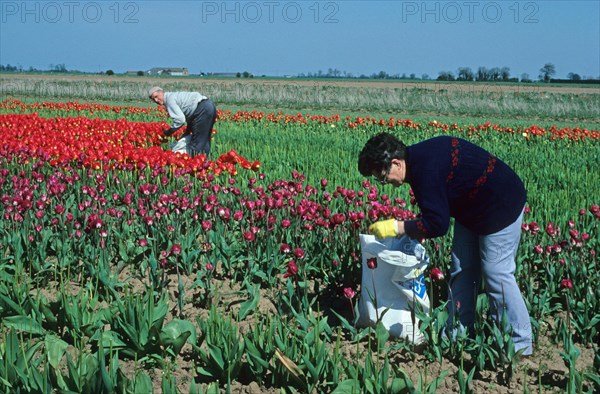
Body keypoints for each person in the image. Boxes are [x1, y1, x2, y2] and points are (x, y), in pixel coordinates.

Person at [358, 132, 533, 356]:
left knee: (497, 274)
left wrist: (398, 227)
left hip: (501, 204)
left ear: (396, 162)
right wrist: (419, 228)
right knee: (462, 268)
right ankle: (456, 335)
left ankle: (520, 343)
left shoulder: (424, 170)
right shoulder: (418, 160)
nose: (386, 184)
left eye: (383, 177)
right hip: (471, 208)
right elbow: (435, 209)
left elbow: (438, 226)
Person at [148, 87, 217, 157]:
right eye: (153, 99)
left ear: (162, 92)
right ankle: (205, 161)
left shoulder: (169, 100)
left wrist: (168, 132)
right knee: (205, 140)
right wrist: (185, 133)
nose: (156, 100)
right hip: (210, 105)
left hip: (202, 110)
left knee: (197, 143)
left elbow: (180, 120)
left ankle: (196, 163)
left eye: (156, 96)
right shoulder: (173, 96)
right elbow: (190, 117)